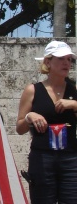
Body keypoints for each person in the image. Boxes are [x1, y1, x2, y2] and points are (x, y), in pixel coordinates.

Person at [16, 40, 77, 204]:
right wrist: (30, 117)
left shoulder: (74, 89)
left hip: (70, 158)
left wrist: (74, 104)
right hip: (42, 156)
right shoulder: (33, 90)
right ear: (48, 62)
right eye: (61, 58)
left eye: (69, 59)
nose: (66, 63)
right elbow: (19, 128)